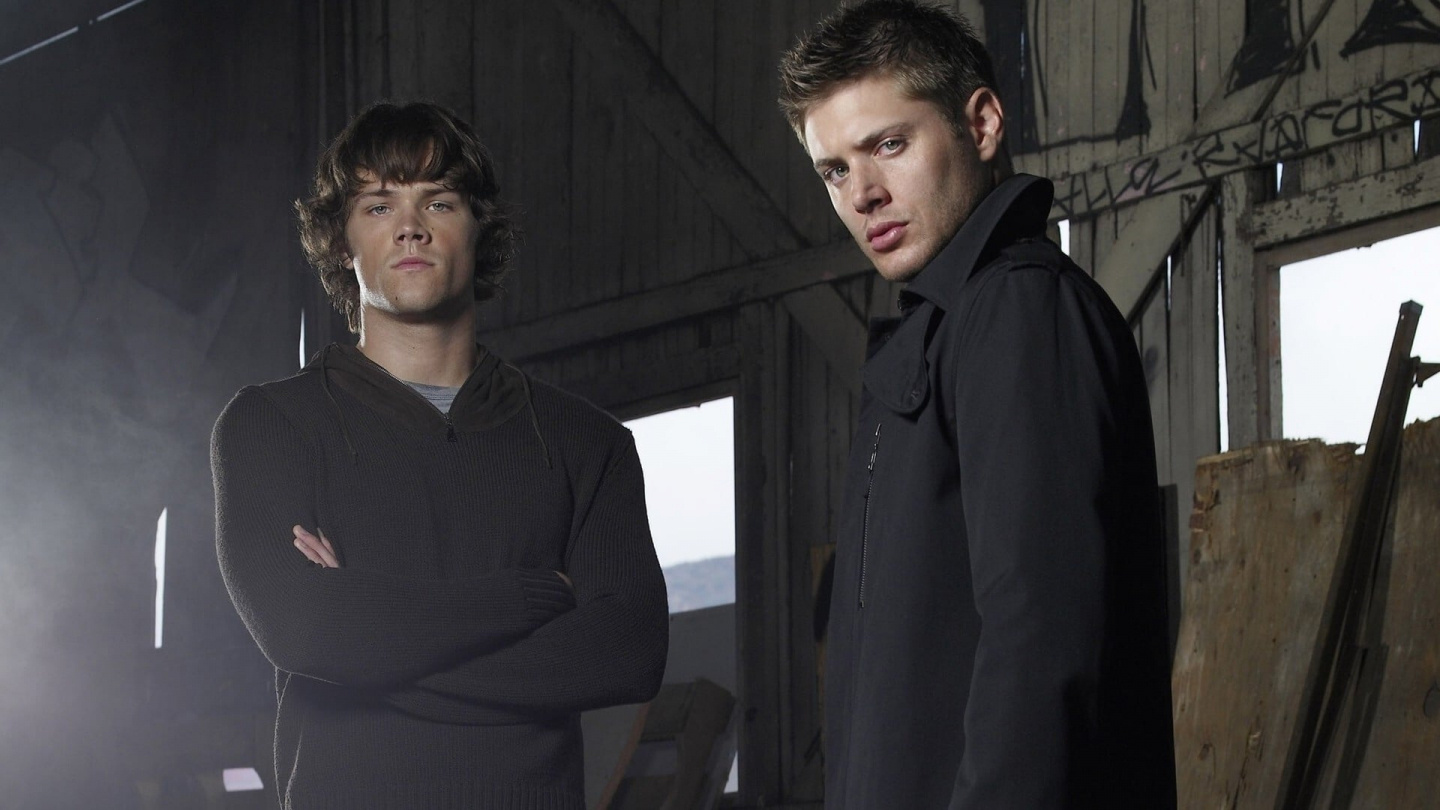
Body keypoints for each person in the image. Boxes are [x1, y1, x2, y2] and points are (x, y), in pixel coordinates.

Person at [211, 101, 668, 809]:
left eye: (440, 201)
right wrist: (532, 598)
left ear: (479, 228)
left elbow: (628, 654)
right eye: (378, 206)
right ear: (342, 241)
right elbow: (306, 630)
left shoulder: (587, 442)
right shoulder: (272, 425)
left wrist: (368, 647)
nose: (410, 227)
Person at [778, 2, 1177, 807]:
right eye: (835, 171)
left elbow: (1041, 637)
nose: (864, 195)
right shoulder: (940, 333)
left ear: (982, 124)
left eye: (889, 145)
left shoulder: (1019, 309)